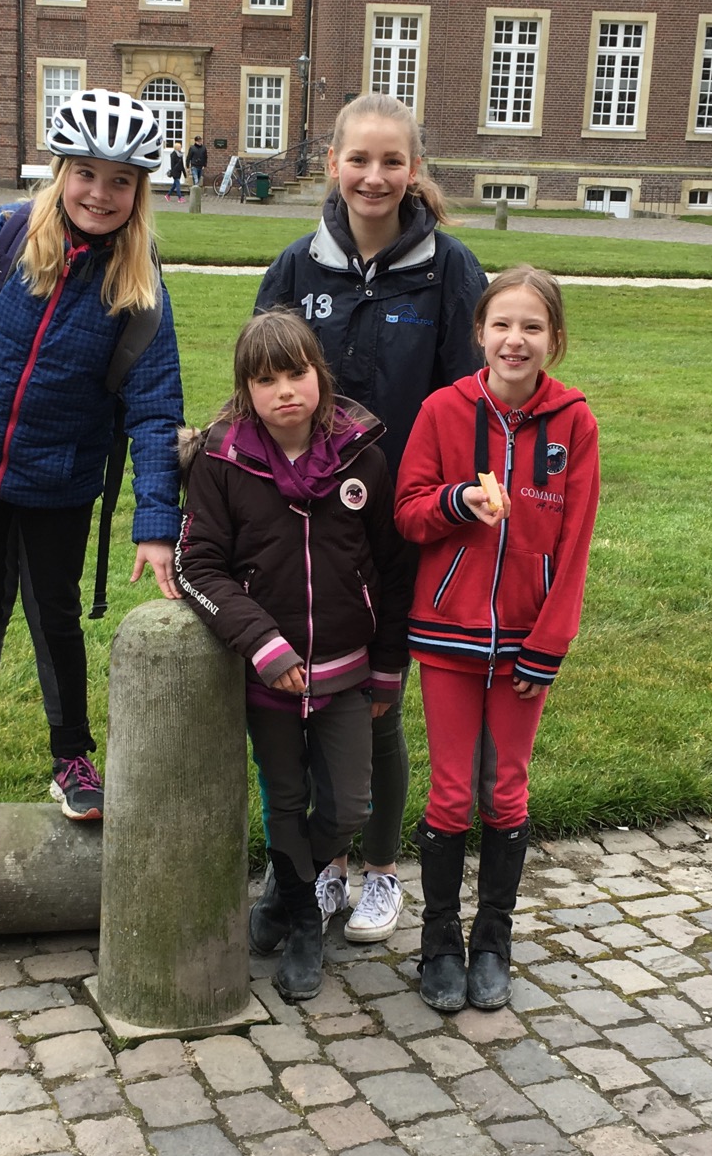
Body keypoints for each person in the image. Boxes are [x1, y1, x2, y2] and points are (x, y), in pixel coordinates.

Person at [0, 87, 184, 827]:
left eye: (121, 180)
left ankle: (72, 758)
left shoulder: (140, 286)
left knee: (55, 618)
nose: (101, 192)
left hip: (62, 482)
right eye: (87, 173)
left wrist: (158, 523)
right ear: (61, 172)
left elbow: (157, 410)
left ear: (139, 192)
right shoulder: (1, 239)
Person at [252, 90, 486, 945]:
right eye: (360, 159)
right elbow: (262, 382)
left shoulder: (451, 271)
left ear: (415, 170)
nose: (375, 176)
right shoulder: (295, 268)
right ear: (333, 166)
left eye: (393, 161)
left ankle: (382, 868)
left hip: (401, 527)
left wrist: (450, 501)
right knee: (315, 697)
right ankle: (327, 865)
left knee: (379, 697)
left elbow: (469, 400)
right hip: (306, 523)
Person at [176, 310, 409, 999]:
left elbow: (394, 567)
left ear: (320, 374)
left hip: (347, 669)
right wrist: (262, 643)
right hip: (269, 673)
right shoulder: (221, 460)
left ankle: (282, 895)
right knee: (285, 794)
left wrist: (389, 662)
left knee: (348, 807)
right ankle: (304, 918)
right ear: (245, 390)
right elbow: (198, 565)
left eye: (297, 373)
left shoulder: (362, 453)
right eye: (266, 379)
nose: (285, 392)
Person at [395, 266, 600, 1014]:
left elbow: (574, 544)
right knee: (451, 792)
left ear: (555, 340)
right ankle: (440, 940)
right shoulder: (443, 410)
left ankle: (494, 938)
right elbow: (410, 512)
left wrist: (548, 645)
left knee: (505, 789)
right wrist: (459, 501)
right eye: (502, 325)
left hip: (523, 647)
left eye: (533, 327)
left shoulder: (575, 423)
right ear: (479, 333)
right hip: (447, 636)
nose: (516, 340)